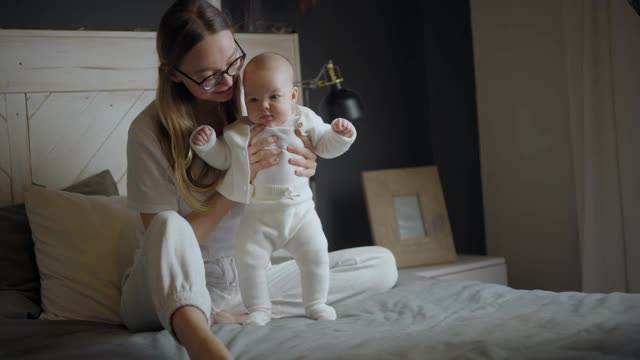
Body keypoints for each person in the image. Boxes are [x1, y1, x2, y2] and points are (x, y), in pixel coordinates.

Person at [119, 0, 398, 359]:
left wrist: (306, 161)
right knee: (168, 225)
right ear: (174, 73)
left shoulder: (257, 99)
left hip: (246, 278)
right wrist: (239, 180)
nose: (229, 81)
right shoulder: (148, 131)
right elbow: (168, 244)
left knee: (381, 265)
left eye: (233, 61)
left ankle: (245, 312)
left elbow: (298, 155)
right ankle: (200, 338)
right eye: (209, 75)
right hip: (164, 286)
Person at [190, 52, 356, 326]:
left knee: (316, 253)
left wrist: (340, 136)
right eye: (253, 99)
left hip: (300, 211)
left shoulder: (305, 119)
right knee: (248, 259)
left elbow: (325, 147)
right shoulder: (239, 131)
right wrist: (206, 146)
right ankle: (258, 308)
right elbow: (223, 159)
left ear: (292, 96)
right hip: (259, 215)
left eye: (274, 97)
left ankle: (315, 302)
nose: (264, 106)